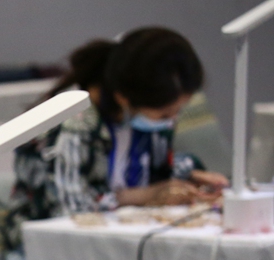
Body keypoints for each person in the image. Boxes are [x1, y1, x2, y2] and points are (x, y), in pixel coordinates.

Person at [15, 27, 229, 220]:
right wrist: (141, 196)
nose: (172, 121)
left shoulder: (142, 119)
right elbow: (71, 210)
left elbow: (149, 171)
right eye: (164, 115)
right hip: (50, 245)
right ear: (124, 98)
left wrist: (190, 177)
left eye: (178, 112)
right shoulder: (72, 124)